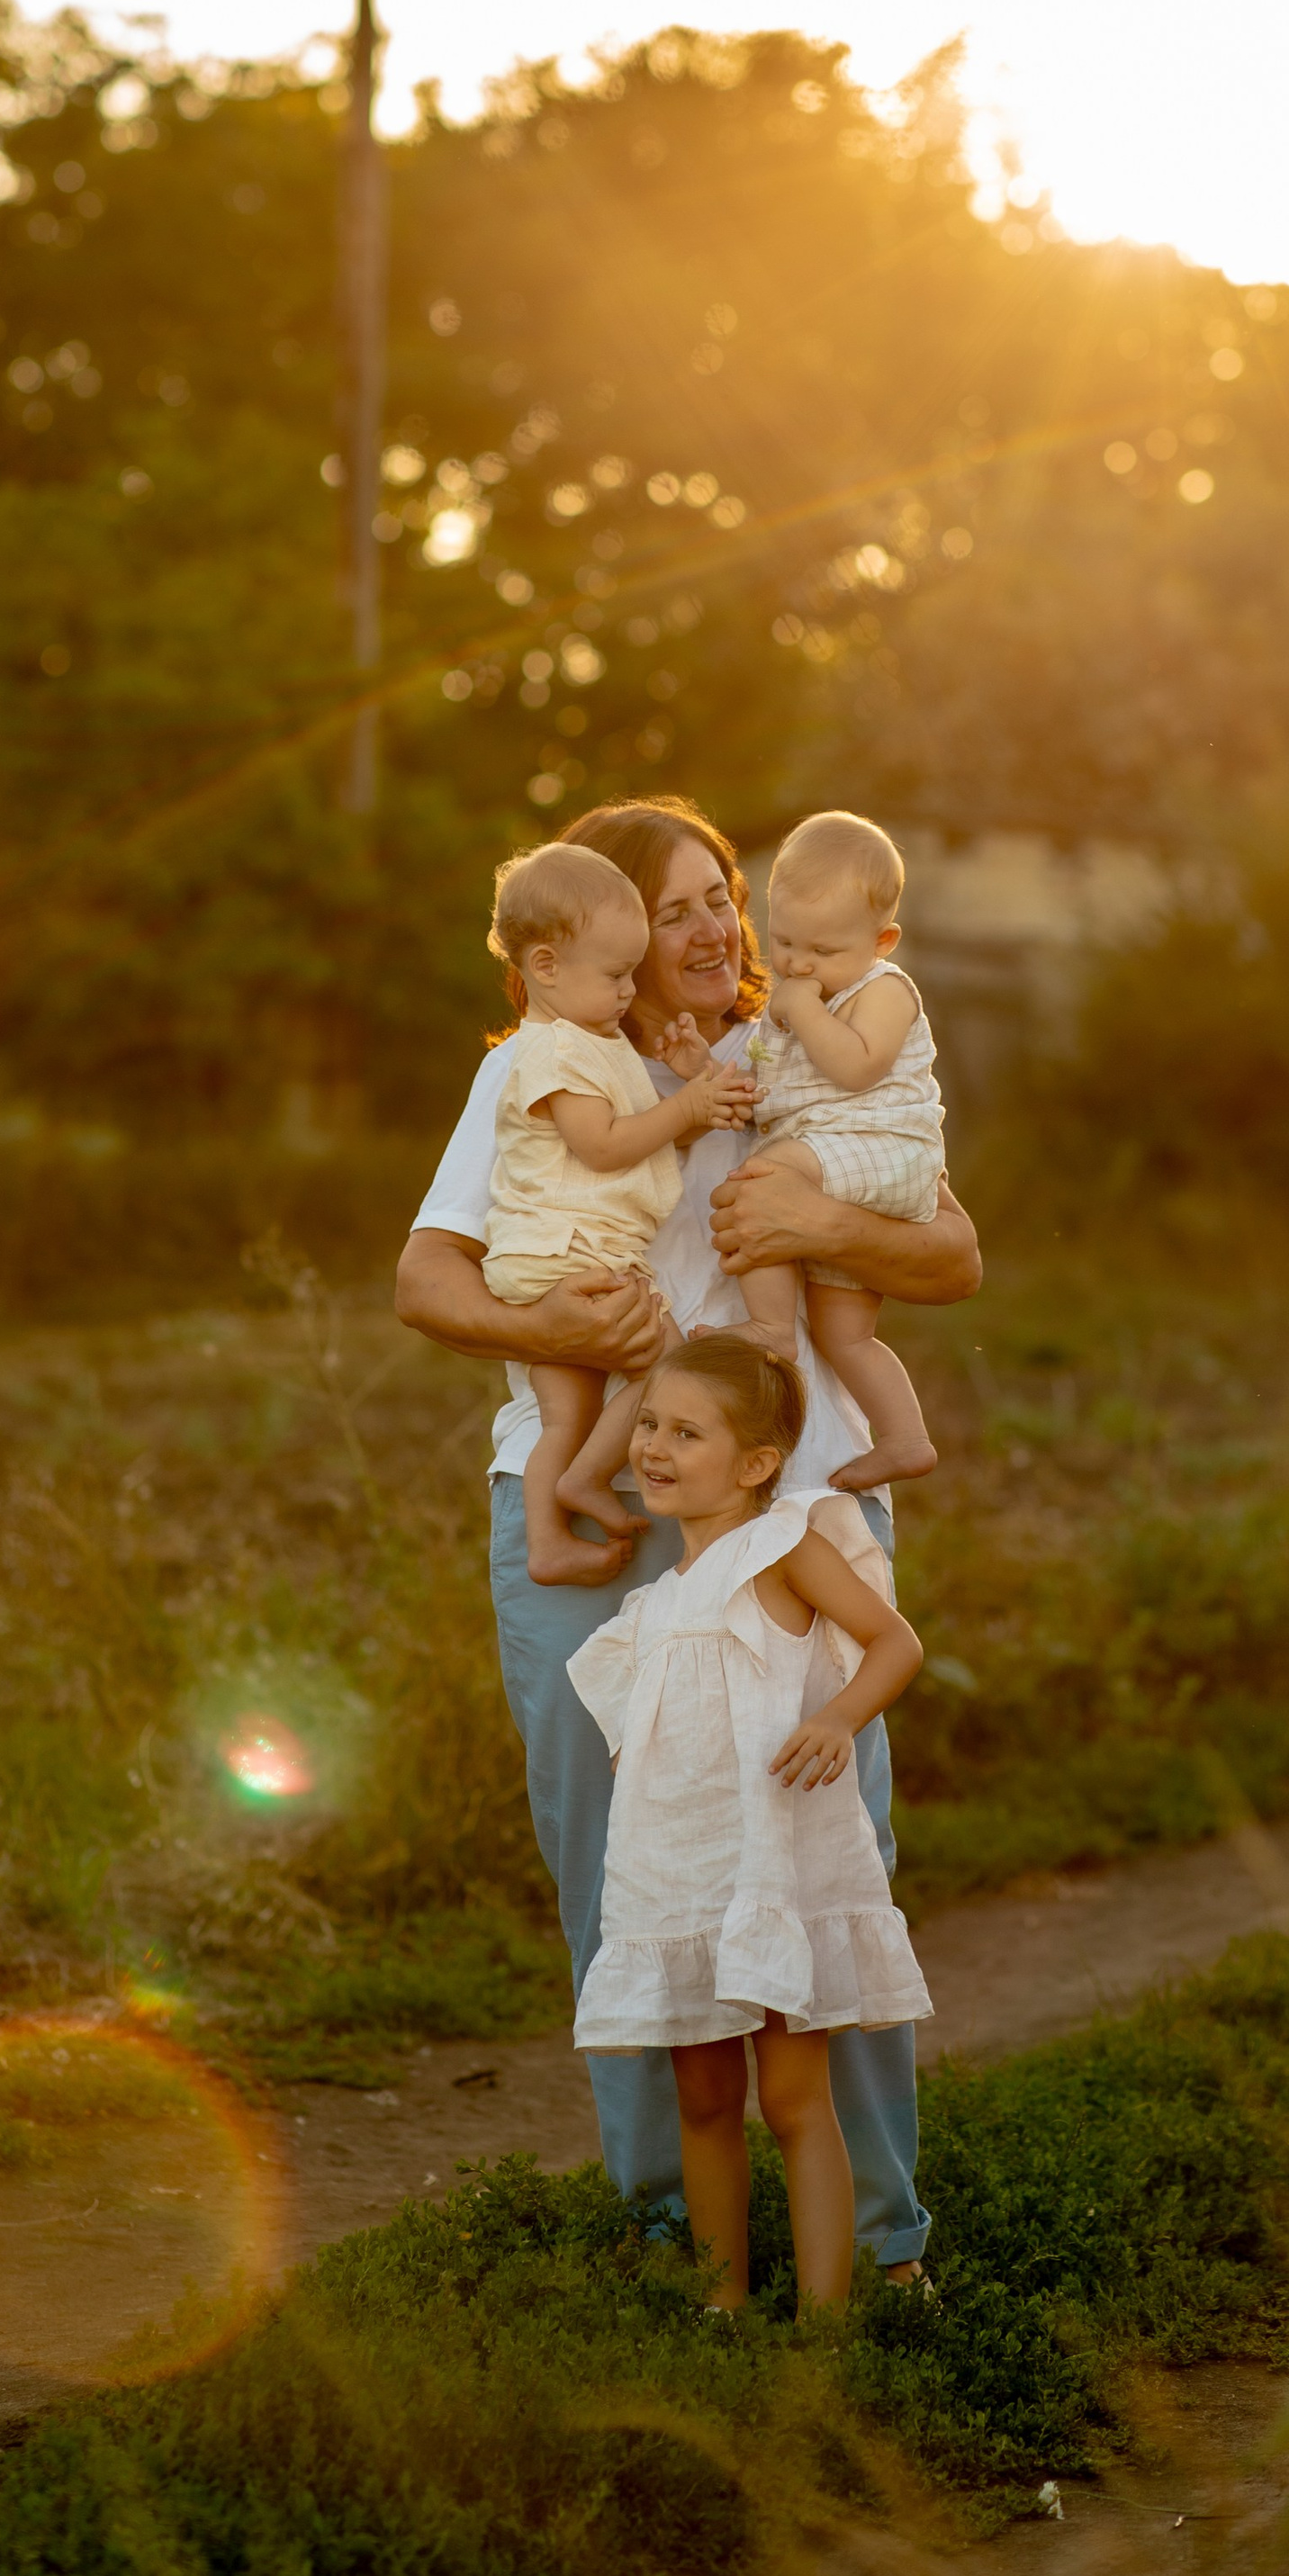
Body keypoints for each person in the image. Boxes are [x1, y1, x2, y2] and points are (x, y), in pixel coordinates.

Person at [393, 793, 981, 2278]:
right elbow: (424, 1281)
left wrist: (818, 1233)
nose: (717, 927)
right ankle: (670, 2230)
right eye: (678, 908)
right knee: (619, 1869)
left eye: (724, 893)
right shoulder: (544, 1073)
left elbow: (954, 1252)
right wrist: (547, 1321)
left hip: (793, 1507)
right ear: (598, 940)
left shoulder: (808, 1054)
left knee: (830, 1846)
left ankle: (887, 2238)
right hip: (598, 1492)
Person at [568, 1332, 932, 2316]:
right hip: (683, 1878)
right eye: (647, 1423)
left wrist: (836, 1716)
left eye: (686, 1433)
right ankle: (720, 2311)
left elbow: (894, 1642)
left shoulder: (786, 1546)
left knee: (790, 2099)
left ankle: (826, 2328)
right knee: (704, 2099)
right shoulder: (648, 1611)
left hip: (774, 1868)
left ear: (756, 1465)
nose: (652, 1447)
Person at [479, 840, 758, 1584]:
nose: (629, 990)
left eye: (632, 971)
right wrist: (691, 1103)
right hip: (571, 1256)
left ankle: (550, 1537)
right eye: (615, 974)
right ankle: (584, 1481)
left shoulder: (589, 1045)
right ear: (545, 968)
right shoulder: (550, 1053)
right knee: (665, 1365)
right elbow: (606, 1145)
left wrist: (696, 1085)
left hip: (555, 1255)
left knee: (565, 1415)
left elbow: (656, 1135)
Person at [735, 811, 944, 1485]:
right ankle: (905, 1437)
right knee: (843, 1332)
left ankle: (768, 1331)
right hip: (838, 1158)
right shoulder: (797, 994)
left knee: (760, 1182)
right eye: (784, 940)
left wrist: (804, 1009)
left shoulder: (885, 990)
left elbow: (856, 1068)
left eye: (822, 951)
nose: (797, 963)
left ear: (882, 941)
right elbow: (765, 1082)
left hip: (884, 1151)